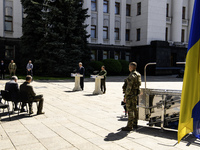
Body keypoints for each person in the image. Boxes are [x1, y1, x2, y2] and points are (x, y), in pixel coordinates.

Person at [121, 62, 141, 131]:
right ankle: (135, 123)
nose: (129, 68)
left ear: (131, 67)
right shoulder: (138, 74)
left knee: (130, 110)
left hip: (130, 95)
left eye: (129, 67)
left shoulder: (131, 76)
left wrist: (125, 96)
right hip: (135, 94)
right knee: (135, 109)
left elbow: (129, 87)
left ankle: (129, 126)